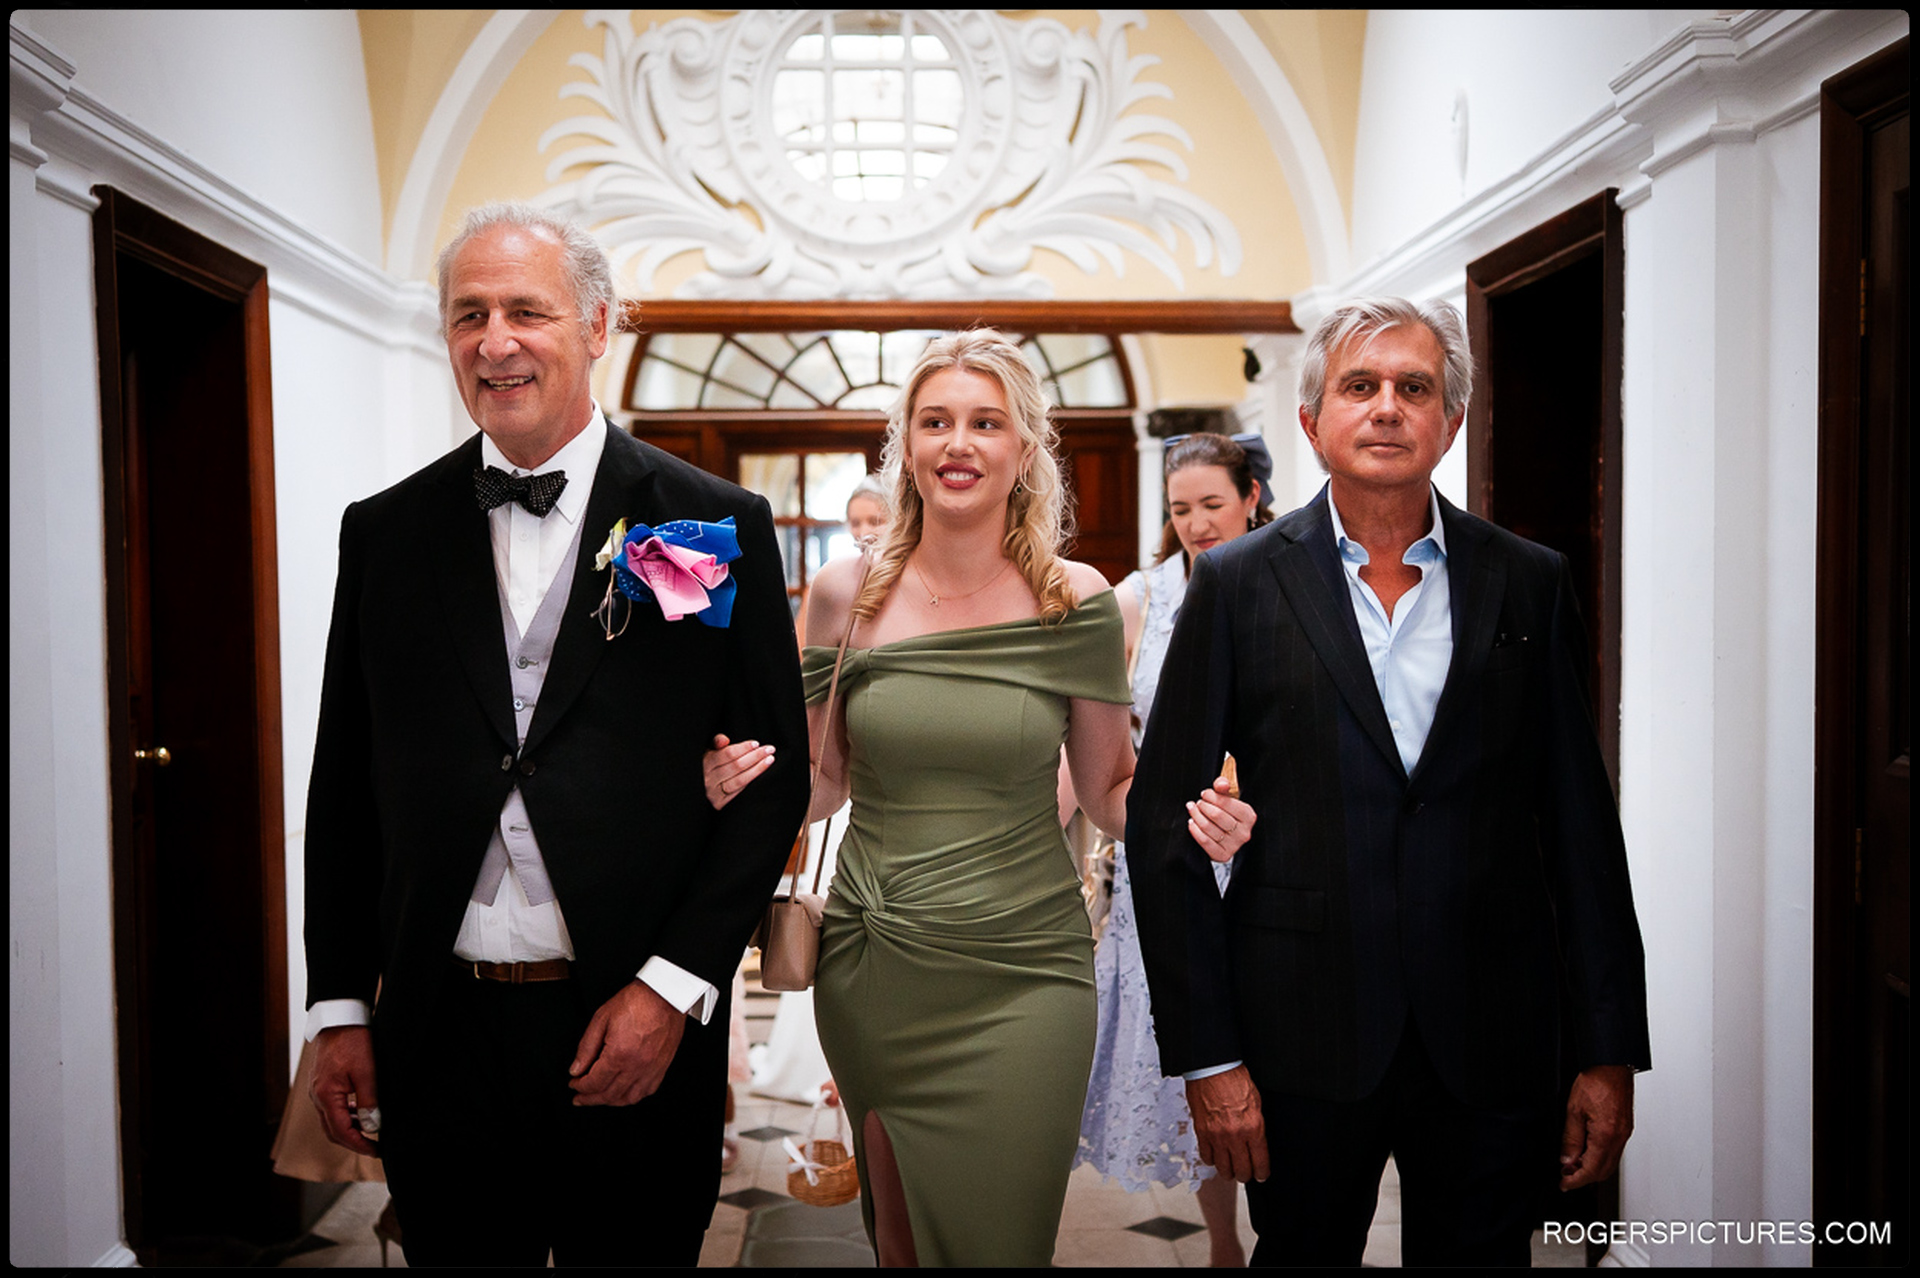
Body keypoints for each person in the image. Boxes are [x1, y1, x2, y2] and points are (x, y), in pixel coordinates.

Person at [301, 201, 809, 1267]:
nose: (495, 341)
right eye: (466, 315)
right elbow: (343, 786)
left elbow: (772, 781)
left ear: (597, 325)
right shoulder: (385, 534)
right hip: (438, 1028)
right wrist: (340, 1005)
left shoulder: (705, 525)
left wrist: (673, 985)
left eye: (526, 310)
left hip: (631, 1016)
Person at [702, 329, 1256, 1266]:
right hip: (880, 966)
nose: (959, 443)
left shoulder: (1072, 602)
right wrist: (728, 787)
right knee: (903, 1246)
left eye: (985, 422)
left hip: (1028, 974)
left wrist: (1198, 823)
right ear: (907, 446)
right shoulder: (846, 595)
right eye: (937, 422)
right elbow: (820, 778)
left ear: (1024, 448)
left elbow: (1110, 789)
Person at [1127, 297, 1651, 1266]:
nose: (1386, 409)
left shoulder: (1526, 581)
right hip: (1300, 1035)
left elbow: (1581, 825)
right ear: (1311, 420)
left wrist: (1608, 1046)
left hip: (1493, 1037)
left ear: (1449, 422)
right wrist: (1209, 1056)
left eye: (1414, 389)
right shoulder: (1235, 586)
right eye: (1359, 387)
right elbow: (1161, 834)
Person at [1076, 431, 1273, 1268]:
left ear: (1252, 498)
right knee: (1193, 1057)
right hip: (1173, 851)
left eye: (1212, 506)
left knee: (1277, 1050)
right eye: (1180, 509)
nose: (1195, 523)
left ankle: (1288, 1226)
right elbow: (1098, 748)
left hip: (1267, 851)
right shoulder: (1140, 600)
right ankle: (1224, 1242)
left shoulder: (1289, 580)